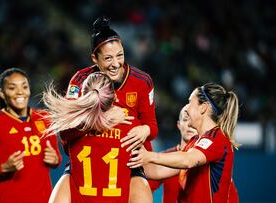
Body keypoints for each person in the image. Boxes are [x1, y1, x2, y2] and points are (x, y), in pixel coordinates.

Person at [53, 16, 158, 203]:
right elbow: (66, 134)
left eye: (120, 55)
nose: (116, 63)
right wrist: (103, 119)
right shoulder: (79, 80)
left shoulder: (142, 81)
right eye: (108, 58)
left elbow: (152, 126)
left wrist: (145, 129)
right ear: (95, 59)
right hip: (88, 158)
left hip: (128, 161)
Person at [128, 83, 239, 203]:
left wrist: (150, 156)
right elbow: (159, 171)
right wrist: (131, 161)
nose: (186, 109)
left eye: (190, 102)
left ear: (203, 108)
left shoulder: (216, 138)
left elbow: (188, 160)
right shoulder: (194, 142)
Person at [0, 68, 62, 203]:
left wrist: (55, 160)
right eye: (12, 88)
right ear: (2, 94)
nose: (20, 91)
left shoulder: (44, 118)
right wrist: (3, 167)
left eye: (24, 86)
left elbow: (56, 158)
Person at [43, 72, 139, 203]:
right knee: (140, 179)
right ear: (115, 97)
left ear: (84, 95)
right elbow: (138, 158)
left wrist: (94, 123)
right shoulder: (130, 123)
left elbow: (66, 146)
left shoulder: (70, 127)